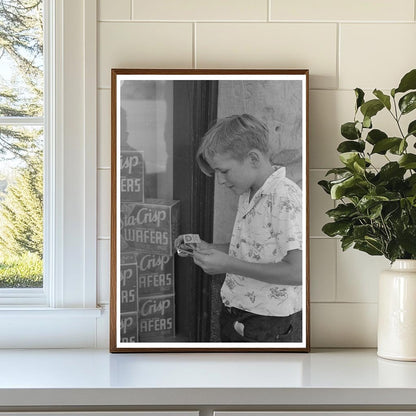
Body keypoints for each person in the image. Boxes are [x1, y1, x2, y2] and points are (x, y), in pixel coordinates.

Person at [176, 114, 303, 342]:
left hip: (267, 322)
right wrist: (207, 248)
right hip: (235, 312)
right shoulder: (248, 193)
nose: (221, 181)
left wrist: (229, 265)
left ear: (253, 158)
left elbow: (297, 272)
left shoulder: (285, 196)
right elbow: (250, 250)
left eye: (224, 171)